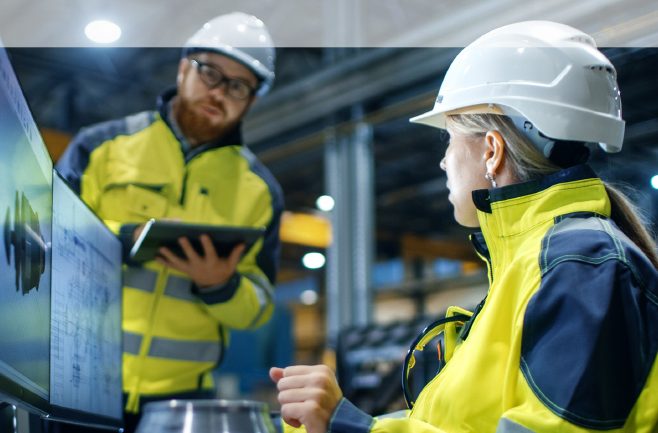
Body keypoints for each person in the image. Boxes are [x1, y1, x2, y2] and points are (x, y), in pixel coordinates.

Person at [269, 21, 658, 433]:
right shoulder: (536, 271)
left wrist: (352, 426)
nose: (443, 161)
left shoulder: (583, 266)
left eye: (449, 139)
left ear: (491, 150)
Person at [55, 12, 284, 431]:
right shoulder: (101, 147)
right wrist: (126, 239)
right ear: (183, 69)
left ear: (251, 99)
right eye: (210, 73)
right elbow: (48, 241)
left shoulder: (259, 191)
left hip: (181, 407)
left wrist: (222, 285)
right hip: (77, 380)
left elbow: (260, 305)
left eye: (238, 86)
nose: (219, 92)